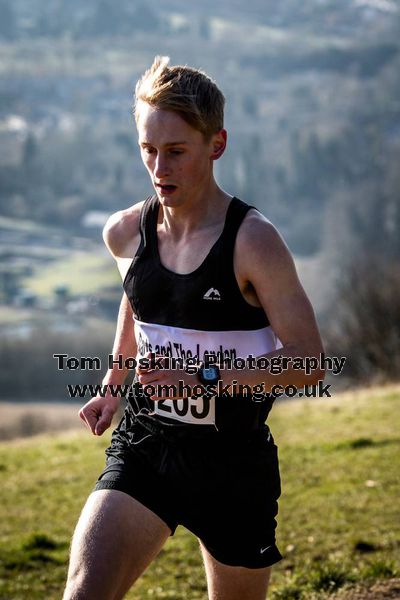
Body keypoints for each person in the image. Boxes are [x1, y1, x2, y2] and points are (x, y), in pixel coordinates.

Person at [63, 56, 324, 600]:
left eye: (176, 151)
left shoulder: (254, 242)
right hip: (146, 443)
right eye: (148, 150)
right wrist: (113, 388)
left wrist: (202, 378)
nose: (160, 168)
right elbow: (138, 302)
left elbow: (307, 361)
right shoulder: (124, 234)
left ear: (216, 144)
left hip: (233, 461)